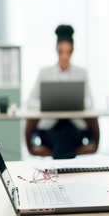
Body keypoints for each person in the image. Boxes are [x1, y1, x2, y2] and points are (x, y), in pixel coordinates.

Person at [25, 24, 99, 159]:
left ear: (72, 51)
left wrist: (75, 103)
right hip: (50, 126)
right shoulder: (45, 73)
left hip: (74, 126)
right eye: (61, 51)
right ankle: (67, 171)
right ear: (56, 50)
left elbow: (89, 103)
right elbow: (30, 102)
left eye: (68, 52)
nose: (65, 56)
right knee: (61, 139)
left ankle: (60, 170)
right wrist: (48, 104)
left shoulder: (81, 73)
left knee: (66, 137)